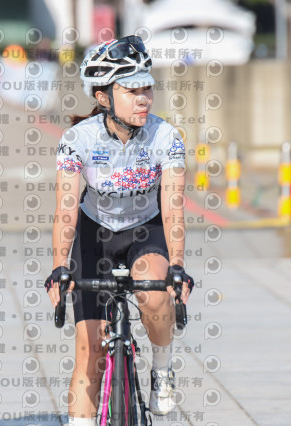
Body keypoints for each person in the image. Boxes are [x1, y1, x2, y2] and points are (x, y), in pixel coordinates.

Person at [45, 36, 195, 425]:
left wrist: (178, 265)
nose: (144, 98)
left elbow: (173, 206)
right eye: (132, 91)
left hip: (146, 230)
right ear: (104, 96)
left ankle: (161, 367)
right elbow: (65, 208)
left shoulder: (166, 136)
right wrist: (60, 266)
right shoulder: (78, 139)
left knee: (154, 294)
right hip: (94, 234)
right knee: (89, 351)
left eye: (147, 88)